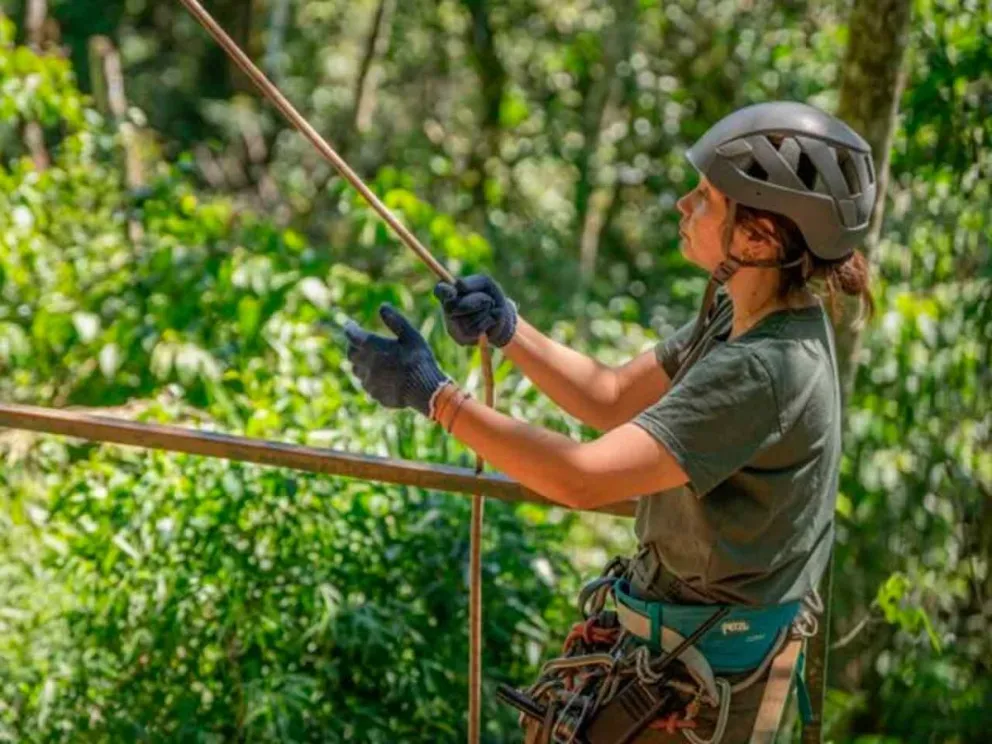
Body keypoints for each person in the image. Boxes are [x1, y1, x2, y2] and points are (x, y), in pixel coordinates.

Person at [343, 101, 877, 743]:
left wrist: (434, 396)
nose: (683, 206)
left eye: (705, 198)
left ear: (758, 237)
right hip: (676, 645)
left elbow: (580, 478)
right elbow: (613, 394)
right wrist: (508, 328)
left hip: (699, 681)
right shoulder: (745, 310)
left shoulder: (766, 368)